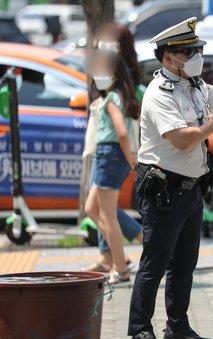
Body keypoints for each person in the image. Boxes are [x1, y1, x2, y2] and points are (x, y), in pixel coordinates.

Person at [127, 17, 213, 339]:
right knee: (154, 262)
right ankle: (139, 332)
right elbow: (181, 140)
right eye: (190, 52)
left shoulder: (194, 84)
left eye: (197, 50)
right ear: (169, 58)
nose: (196, 56)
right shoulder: (158, 95)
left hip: (191, 188)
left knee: (184, 263)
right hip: (163, 189)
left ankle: (177, 329)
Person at [85, 23, 144, 273]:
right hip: (106, 153)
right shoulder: (113, 93)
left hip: (111, 154)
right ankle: (115, 255)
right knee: (92, 208)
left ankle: (118, 264)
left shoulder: (113, 96)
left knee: (107, 215)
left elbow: (122, 131)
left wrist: (130, 154)